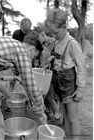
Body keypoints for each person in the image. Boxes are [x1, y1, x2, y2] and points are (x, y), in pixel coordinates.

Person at [44, 8, 86, 139]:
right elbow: (58, 53)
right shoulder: (58, 40)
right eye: (52, 34)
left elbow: (82, 66)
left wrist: (80, 88)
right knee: (66, 115)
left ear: (64, 27)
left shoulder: (72, 43)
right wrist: (51, 58)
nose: (54, 36)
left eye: (56, 33)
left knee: (73, 117)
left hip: (69, 84)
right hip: (59, 82)